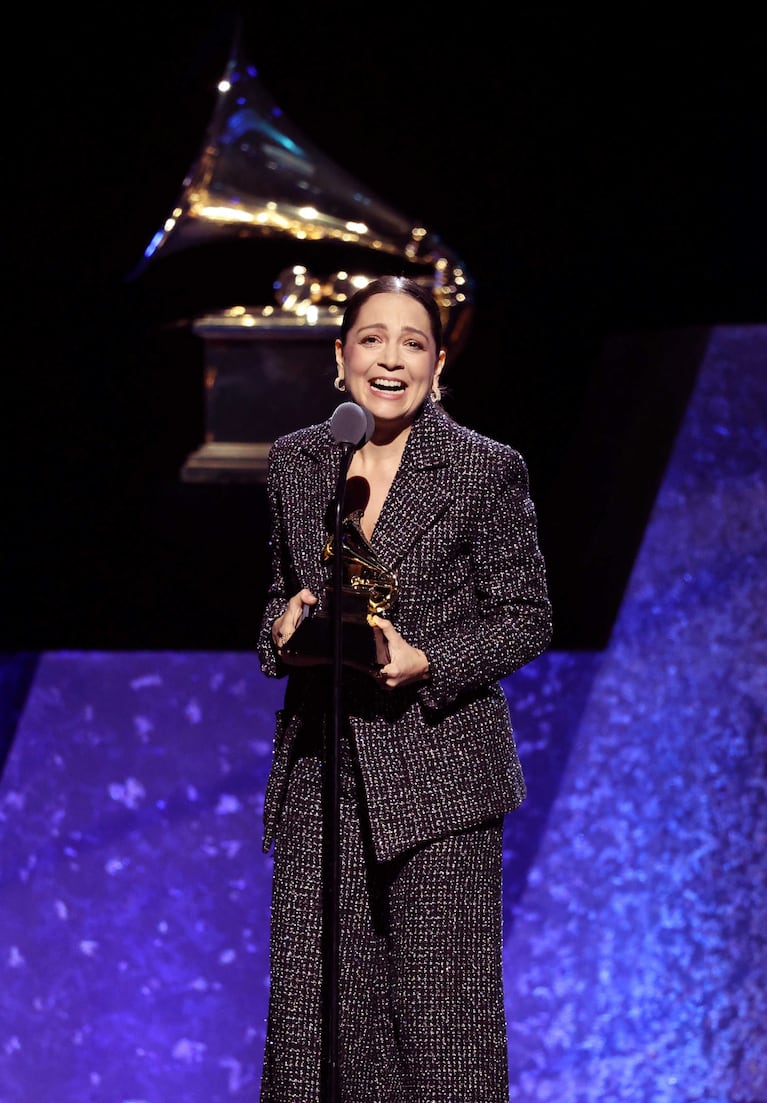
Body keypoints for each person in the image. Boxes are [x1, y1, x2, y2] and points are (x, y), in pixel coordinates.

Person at [256, 274, 553, 1102]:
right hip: (321, 778)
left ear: (437, 361)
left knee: (441, 1036)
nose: (390, 359)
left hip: (439, 781)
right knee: (317, 1032)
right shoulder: (298, 462)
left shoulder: (482, 469)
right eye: (373, 339)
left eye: (412, 343)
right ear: (340, 355)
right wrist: (282, 628)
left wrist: (429, 659)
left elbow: (527, 616)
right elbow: (277, 596)